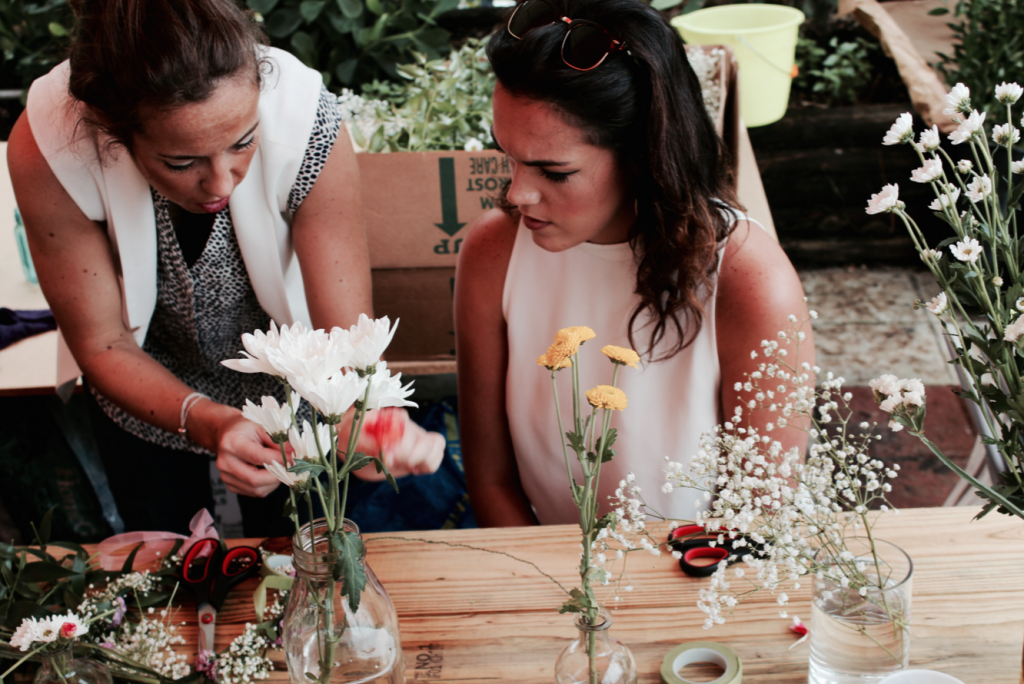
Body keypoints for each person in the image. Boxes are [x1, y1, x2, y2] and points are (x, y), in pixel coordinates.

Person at [7, 0, 444, 536]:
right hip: (141, 388)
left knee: (303, 555)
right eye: (181, 162)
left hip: (296, 386)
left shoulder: (308, 120)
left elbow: (345, 338)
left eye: (242, 143)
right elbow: (102, 344)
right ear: (112, 131)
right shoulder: (50, 142)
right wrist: (211, 422)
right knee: (168, 563)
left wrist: (363, 418)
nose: (220, 183)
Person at [454, 0, 815, 527]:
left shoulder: (747, 278)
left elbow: (756, 517)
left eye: (553, 171)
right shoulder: (492, 253)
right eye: (507, 156)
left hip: (701, 581)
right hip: (543, 576)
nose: (518, 192)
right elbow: (490, 481)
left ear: (645, 155)